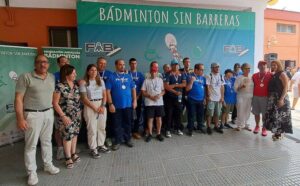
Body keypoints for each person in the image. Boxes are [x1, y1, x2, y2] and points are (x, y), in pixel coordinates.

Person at [15, 55, 60, 186]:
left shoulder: (51, 77)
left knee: (47, 141)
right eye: (39, 62)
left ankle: (48, 165)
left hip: (48, 112)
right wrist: (20, 118)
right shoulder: (26, 77)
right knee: (31, 145)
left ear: (48, 64)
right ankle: (31, 172)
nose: (43, 64)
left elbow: (53, 96)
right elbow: (18, 99)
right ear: (35, 64)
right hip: (32, 115)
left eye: (45, 62)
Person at [53, 64, 81, 169]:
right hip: (65, 117)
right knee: (67, 136)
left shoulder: (76, 85)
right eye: (73, 73)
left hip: (77, 116)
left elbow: (78, 101)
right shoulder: (59, 86)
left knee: (75, 134)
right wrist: (63, 116)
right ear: (66, 74)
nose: (75, 74)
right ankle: (68, 157)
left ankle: (73, 153)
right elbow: (55, 103)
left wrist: (79, 114)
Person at [79, 64, 110, 159]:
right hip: (89, 106)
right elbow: (84, 98)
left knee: (101, 127)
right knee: (92, 128)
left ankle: (100, 145)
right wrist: (94, 108)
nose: (94, 72)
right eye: (91, 70)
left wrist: (103, 106)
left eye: (95, 70)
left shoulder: (100, 81)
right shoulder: (83, 82)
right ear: (88, 72)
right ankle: (93, 148)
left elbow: (104, 94)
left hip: (101, 105)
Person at [106, 59, 137, 151]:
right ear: (116, 65)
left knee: (128, 123)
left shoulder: (128, 76)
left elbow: (133, 89)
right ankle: (118, 141)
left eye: (123, 65)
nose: (122, 66)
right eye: (120, 65)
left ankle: (128, 139)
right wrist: (110, 104)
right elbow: (107, 92)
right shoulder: (111, 77)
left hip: (128, 105)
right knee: (117, 124)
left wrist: (135, 100)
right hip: (116, 106)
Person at [264, 60, 293, 141]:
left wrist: (281, 99)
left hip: (280, 98)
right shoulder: (274, 74)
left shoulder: (282, 74)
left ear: (279, 65)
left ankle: (279, 134)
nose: (273, 66)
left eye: (275, 65)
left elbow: (286, 88)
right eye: (272, 65)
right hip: (273, 99)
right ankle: (277, 133)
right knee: (275, 116)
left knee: (280, 117)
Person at [142, 61, 165, 142]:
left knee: (159, 118)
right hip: (149, 103)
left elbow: (163, 91)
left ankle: (158, 133)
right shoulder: (146, 80)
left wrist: (160, 95)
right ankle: (150, 134)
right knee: (150, 119)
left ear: (157, 72)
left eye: (155, 71)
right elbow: (143, 91)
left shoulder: (160, 80)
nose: (154, 73)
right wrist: (150, 96)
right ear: (150, 71)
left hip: (159, 103)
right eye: (152, 71)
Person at [164, 59, 186, 137]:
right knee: (169, 114)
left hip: (179, 97)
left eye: (177, 65)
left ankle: (178, 129)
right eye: (174, 64)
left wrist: (174, 85)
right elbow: (166, 86)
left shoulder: (182, 73)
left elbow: (184, 84)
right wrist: (175, 92)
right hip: (170, 97)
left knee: (178, 114)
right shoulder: (168, 74)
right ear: (171, 66)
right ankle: (168, 130)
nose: (176, 66)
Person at [53, 56, 70, 160]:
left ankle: (69, 148)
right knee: (59, 128)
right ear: (59, 64)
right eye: (63, 62)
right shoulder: (54, 76)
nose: (65, 64)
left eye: (67, 62)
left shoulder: (71, 75)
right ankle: (60, 148)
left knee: (70, 128)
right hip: (59, 107)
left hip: (70, 107)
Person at [251, 61, 272, 136]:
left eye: (264, 66)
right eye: (261, 66)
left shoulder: (270, 75)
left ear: (266, 67)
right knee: (256, 113)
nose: (263, 67)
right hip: (255, 97)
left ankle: (264, 128)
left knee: (264, 114)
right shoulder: (254, 75)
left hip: (265, 97)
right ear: (258, 67)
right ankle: (257, 126)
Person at [185, 63, 207, 136]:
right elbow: (187, 89)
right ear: (196, 70)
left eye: (203, 70)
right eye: (201, 70)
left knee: (200, 115)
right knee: (191, 115)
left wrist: (204, 98)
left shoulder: (203, 78)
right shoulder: (189, 76)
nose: (202, 71)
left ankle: (200, 127)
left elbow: (204, 89)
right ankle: (190, 129)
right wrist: (191, 81)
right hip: (192, 100)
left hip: (201, 100)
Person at [96, 57, 113, 147]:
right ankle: (95, 140)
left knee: (107, 122)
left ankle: (107, 138)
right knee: (95, 122)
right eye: (101, 63)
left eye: (104, 63)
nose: (103, 65)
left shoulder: (110, 74)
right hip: (95, 102)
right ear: (97, 63)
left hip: (106, 101)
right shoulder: (93, 72)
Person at [128, 58, 145, 139]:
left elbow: (143, 87)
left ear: (136, 64)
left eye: (135, 63)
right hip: (127, 99)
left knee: (137, 116)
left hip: (138, 98)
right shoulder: (126, 73)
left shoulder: (140, 74)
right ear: (129, 64)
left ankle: (135, 131)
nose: (133, 65)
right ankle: (128, 132)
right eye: (132, 63)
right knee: (128, 116)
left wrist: (137, 97)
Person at [234, 63, 253, 131]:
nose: (248, 70)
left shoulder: (251, 77)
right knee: (240, 111)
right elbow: (235, 88)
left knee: (247, 111)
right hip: (241, 96)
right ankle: (239, 125)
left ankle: (246, 124)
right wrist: (241, 87)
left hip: (249, 97)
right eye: (246, 68)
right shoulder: (239, 77)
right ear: (242, 69)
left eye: (249, 68)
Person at [206, 63, 224, 134]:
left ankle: (216, 126)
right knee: (210, 114)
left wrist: (222, 97)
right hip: (211, 98)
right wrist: (208, 96)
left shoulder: (221, 76)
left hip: (219, 99)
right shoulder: (209, 75)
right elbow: (207, 86)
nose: (218, 68)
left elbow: (222, 87)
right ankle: (208, 127)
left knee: (217, 113)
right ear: (212, 68)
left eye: (218, 67)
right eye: (216, 67)